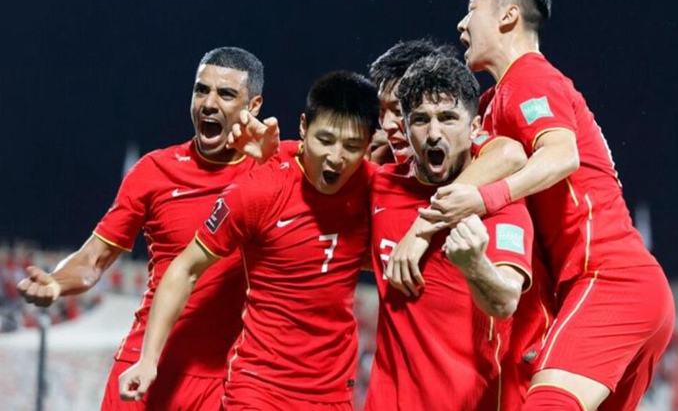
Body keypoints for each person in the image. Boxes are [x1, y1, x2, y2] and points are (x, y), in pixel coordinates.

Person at [421, 0, 675, 411]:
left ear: (508, 16)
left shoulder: (530, 78)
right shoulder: (494, 102)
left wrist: (484, 197)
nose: (461, 24)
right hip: (611, 289)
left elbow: (562, 155)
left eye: (472, 10)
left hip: (608, 279)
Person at [16, 47, 278, 410]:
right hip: (142, 368)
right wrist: (56, 282)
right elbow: (93, 260)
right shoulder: (155, 171)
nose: (208, 103)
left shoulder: (274, 174)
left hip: (225, 380)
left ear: (254, 105)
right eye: (201, 90)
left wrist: (272, 163)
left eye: (226, 93)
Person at [119, 71, 380, 410]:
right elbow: (185, 269)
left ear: (369, 144)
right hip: (259, 388)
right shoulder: (260, 189)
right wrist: (148, 359)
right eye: (325, 140)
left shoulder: (374, 189)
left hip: (333, 394)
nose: (336, 157)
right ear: (303, 127)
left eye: (352, 146)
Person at [365, 55, 554, 410]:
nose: (434, 133)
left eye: (448, 118)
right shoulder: (381, 186)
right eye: (420, 120)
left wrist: (474, 264)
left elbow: (505, 301)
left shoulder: (498, 204)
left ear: (475, 127)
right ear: (406, 127)